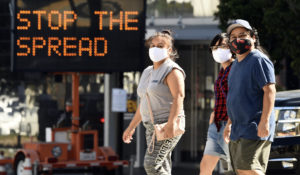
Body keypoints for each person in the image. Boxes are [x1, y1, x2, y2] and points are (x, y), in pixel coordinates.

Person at [122, 30, 186, 175]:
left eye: (160, 45)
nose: (155, 48)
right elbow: (144, 102)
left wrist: (171, 123)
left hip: (166, 123)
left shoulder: (172, 70)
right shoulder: (147, 72)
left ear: (169, 50)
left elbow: (179, 97)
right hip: (150, 126)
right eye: (153, 45)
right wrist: (131, 127)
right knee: (162, 166)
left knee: (151, 164)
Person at [223, 19, 276, 175]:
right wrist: (229, 124)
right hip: (238, 129)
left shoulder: (258, 60)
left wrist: (264, 121)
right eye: (233, 37)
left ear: (253, 37)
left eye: (242, 35)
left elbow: (270, 91)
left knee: (249, 169)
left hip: (254, 127)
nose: (237, 39)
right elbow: (235, 97)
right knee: (240, 170)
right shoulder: (235, 66)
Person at [199, 33, 234, 175]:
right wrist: (214, 113)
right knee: (205, 167)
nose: (218, 50)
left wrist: (231, 123)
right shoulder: (222, 71)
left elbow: (236, 99)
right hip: (217, 124)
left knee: (237, 168)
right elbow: (222, 97)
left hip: (231, 124)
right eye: (215, 47)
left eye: (222, 46)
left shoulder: (236, 68)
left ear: (231, 48)